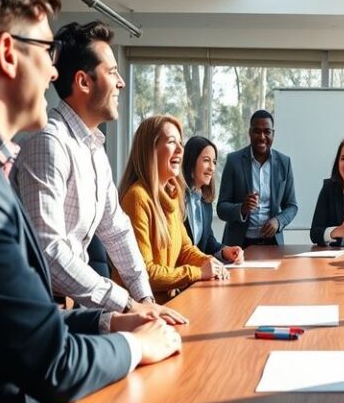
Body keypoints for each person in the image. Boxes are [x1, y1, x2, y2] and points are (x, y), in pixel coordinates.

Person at [0, 0, 181, 403]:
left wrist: (124, 315)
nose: (53, 73)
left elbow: (36, 328)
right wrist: (137, 345)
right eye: (45, 52)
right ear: (9, 53)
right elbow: (49, 360)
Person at [11, 20, 185, 322]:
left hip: (73, 305)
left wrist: (145, 299)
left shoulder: (93, 148)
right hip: (39, 310)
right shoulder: (50, 143)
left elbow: (116, 231)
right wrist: (128, 304)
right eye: (113, 72)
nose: (121, 83)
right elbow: (49, 251)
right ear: (83, 82)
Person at [120, 117, 229, 303]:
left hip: (169, 302)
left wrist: (210, 263)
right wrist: (198, 272)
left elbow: (185, 249)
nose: (180, 150)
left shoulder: (172, 195)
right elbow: (146, 273)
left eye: (181, 143)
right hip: (144, 309)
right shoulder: (137, 197)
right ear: (150, 150)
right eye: (172, 142)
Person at [217, 109, 298, 246]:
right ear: (250, 133)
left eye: (267, 131)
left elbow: (292, 206)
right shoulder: (233, 161)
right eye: (257, 131)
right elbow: (221, 208)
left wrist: (278, 221)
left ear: (273, 134)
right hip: (239, 244)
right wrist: (242, 208)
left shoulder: (284, 163)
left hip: (272, 244)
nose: (262, 137)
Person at [182, 135, 244, 263]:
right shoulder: (176, 198)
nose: (212, 168)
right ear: (191, 162)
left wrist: (225, 251)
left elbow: (208, 242)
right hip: (180, 275)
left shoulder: (205, 202)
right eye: (206, 160)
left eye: (214, 162)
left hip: (199, 274)